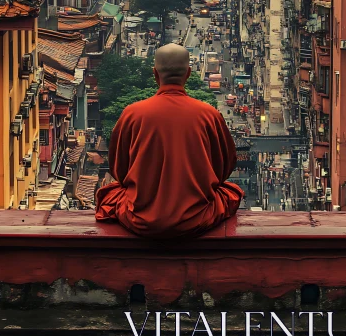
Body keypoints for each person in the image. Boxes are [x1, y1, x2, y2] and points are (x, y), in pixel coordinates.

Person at [95, 43, 244, 238]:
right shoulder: (209, 114)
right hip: (197, 217)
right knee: (231, 192)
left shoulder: (132, 114)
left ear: (155, 74)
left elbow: (118, 171)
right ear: (188, 74)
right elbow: (224, 167)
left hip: (139, 218)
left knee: (109, 194)